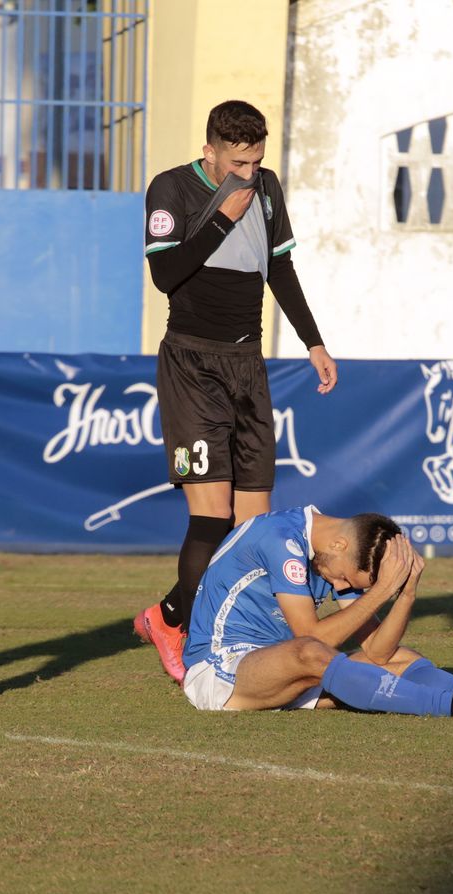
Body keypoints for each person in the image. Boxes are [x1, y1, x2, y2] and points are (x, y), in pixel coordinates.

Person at [133, 100, 339, 683]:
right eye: (237, 162)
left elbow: (281, 270)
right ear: (211, 152)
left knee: (257, 526)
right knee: (212, 517)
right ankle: (183, 631)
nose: (248, 173)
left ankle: (175, 618)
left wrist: (314, 342)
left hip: (248, 366)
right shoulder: (171, 189)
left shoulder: (267, 188)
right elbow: (166, 276)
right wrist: (222, 215)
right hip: (192, 365)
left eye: (256, 161)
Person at [180, 505, 453, 718]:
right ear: (341, 547)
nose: (346, 588)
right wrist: (381, 593)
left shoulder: (333, 551)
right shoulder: (280, 540)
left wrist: (406, 594)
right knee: (312, 653)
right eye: (353, 582)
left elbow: (377, 650)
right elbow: (309, 638)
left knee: (403, 658)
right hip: (220, 673)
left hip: (279, 671)